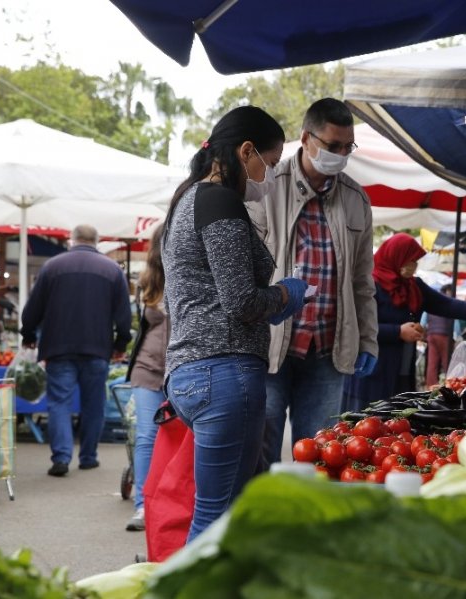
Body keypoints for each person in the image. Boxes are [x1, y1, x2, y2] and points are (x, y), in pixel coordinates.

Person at [161, 105, 307, 541]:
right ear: (247, 152)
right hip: (222, 371)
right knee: (219, 519)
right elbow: (240, 301)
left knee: (220, 512)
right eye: (271, 162)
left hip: (192, 373)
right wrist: (286, 294)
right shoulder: (219, 200)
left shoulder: (187, 200)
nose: (270, 175)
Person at [247, 98, 379, 468]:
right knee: (261, 451)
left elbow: (361, 281)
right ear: (306, 138)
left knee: (320, 458)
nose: (340, 155)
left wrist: (367, 339)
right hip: (271, 346)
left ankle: (307, 525)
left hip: (328, 350)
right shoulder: (267, 185)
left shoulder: (357, 199)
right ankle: (261, 524)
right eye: (332, 146)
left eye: (347, 147)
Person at [342, 233, 466, 411]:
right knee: (365, 421)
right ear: (395, 257)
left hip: (402, 369)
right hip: (370, 372)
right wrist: (398, 331)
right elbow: (355, 328)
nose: (414, 265)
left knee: (397, 417)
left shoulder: (414, 286)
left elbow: (446, 304)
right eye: (410, 260)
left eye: (415, 260)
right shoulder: (369, 285)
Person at [20, 224, 132, 476]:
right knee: (94, 404)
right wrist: (120, 344)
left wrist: (28, 334)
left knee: (59, 402)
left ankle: (61, 457)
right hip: (97, 348)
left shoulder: (52, 267)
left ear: (72, 240)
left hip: (58, 347)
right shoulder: (112, 270)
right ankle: (88, 457)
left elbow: (32, 309)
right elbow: (124, 316)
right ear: (97, 241)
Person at [124, 225, 168, 532]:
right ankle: (142, 506)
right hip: (148, 367)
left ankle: (170, 501)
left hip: (184, 369)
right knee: (146, 438)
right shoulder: (150, 279)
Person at [424, 284, 458, 388]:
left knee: (432, 362)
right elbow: (455, 323)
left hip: (431, 334)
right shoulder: (448, 302)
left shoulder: (433, 301)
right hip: (444, 335)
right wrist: (457, 337)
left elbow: (423, 321)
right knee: (446, 361)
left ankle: (431, 386)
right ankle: (450, 384)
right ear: (448, 290)